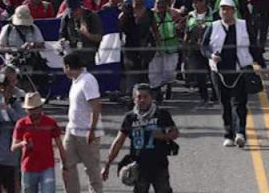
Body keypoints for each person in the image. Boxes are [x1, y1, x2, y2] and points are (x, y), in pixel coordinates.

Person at [201, 0, 266, 147]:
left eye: (228, 9)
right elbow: (204, 46)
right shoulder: (213, 26)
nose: (225, 12)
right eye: (222, 9)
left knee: (240, 103)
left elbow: (253, 47)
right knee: (225, 104)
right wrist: (211, 55)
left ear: (234, 11)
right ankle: (228, 134)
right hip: (219, 72)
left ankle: (240, 132)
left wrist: (262, 64)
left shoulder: (244, 26)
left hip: (240, 70)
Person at [101, 84, 179, 193]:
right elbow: (118, 142)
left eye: (145, 97)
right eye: (139, 97)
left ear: (151, 97)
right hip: (139, 166)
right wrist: (107, 164)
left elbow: (175, 133)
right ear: (134, 99)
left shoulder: (161, 114)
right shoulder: (130, 118)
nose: (142, 100)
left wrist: (163, 136)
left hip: (159, 164)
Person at [60, 51, 103, 193]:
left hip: (86, 133)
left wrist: (91, 130)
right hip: (72, 131)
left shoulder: (87, 80)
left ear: (67, 67)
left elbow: (95, 106)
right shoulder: (76, 80)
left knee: (92, 170)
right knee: (67, 165)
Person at [13, 91, 67, 193]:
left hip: (47, 166)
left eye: (34, 109)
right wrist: (23, 143)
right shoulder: (21, 123)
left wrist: (65, 163)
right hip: (28, 166)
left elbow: (59, 144)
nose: (32, 112)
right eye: (29, 110)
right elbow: (13, 147)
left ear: (41, 108)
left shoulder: (50, 122)